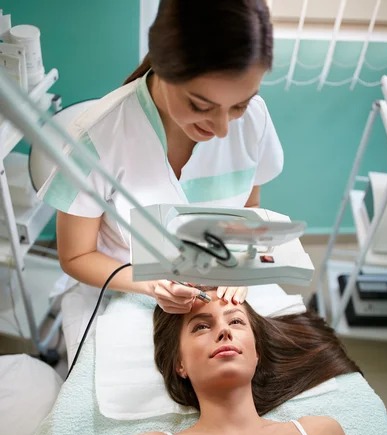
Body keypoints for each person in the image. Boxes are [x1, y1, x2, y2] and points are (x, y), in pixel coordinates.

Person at [39, 0, 284, 364]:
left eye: (239, 106)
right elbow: (76, 255)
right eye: (201, 106)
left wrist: (245, 259)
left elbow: (249, 209)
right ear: (165, 66)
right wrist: (150, 284)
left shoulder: (255, 121)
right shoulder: (99, 137)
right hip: (121, 288)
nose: (222, 129)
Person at [108, 290, 360, 435]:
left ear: (257, 352)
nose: (224, 331)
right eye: (201, 326)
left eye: (236, 321)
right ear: (179, 363)